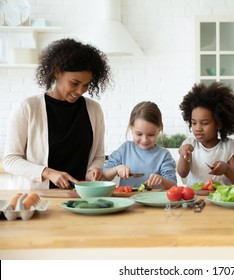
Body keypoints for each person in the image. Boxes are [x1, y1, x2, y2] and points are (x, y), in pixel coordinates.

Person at [3, 38, 112, 190]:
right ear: (57, 73)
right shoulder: (28, 108)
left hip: (82, 199)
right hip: (40, 200)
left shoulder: (94, 110)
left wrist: (93, 170)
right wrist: (47, 173)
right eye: (74, 83)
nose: (80, 91)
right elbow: (10, 160)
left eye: (86, 85)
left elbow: (98, 156)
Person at [177, 82, 234, 187]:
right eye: (194, 123)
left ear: (219, 123)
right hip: (195, 197)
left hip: (221, 199)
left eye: (205, 123)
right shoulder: (189, 144)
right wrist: (184, 156)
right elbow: (182, 174)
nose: (198, 128)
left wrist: (226, 169)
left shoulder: (229, 145)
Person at [103, 101, 177, 189]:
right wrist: (117, 169)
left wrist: (162, 180)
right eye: (139, 134)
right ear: (131, 128)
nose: (144, 140)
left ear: (159, 129)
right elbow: (104, 175)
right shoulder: (125, 149)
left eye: (151, 134)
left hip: (153, 201)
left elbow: (173, 185)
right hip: (126, 201)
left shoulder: (164, 155)